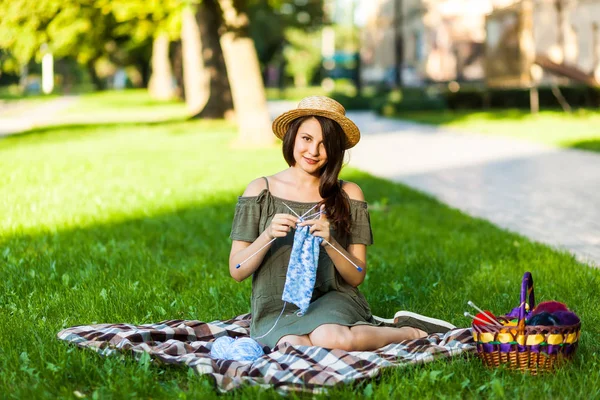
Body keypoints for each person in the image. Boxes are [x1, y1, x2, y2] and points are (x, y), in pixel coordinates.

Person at [228, 96, 454, 351]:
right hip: (276, 310)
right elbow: (237, 270)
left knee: (331, 339)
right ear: (292, 136)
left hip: (333, 299)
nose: (313, 151)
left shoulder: (349, 194)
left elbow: (356, 276)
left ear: (337, 150)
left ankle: (410, 332)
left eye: (325, 144)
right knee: (294, 349)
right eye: (307, 138)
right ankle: (363, 330)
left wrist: (330, 242)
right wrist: (267, 235)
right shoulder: (260, 190)